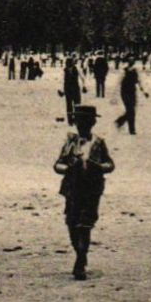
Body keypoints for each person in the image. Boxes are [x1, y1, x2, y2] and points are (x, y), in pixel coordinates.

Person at [53, 105, 114, 281]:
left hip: (92, 188)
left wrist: (98, 167)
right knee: (72, 223)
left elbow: (110, 164)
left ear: (93, 123)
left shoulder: (98, 142)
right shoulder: (70, 142)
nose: (82, 126)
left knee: (85, 225)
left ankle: (80, 261)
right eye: (80, 122)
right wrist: (69, 168)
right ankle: (81, 254)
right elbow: (58, 165)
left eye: (86, 122)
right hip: (72, 187)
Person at [115, 59, 147, 135]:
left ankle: (120, 121)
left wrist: (144, 91)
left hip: (132, 92)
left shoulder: (136, 71)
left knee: (131, 110)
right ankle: (131, 129)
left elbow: (139, 81)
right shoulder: (124, 71)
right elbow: (118, 82)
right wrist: (115, 94)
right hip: (124, 92)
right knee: (130, 110)